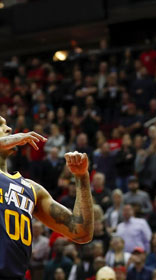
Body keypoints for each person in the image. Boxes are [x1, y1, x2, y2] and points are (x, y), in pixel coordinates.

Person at [0, 118, 94, 279]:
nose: (8, 128)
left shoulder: (31, 188)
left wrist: (81, 177)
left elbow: (81, 232)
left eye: (6, 124)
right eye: (0, 125)